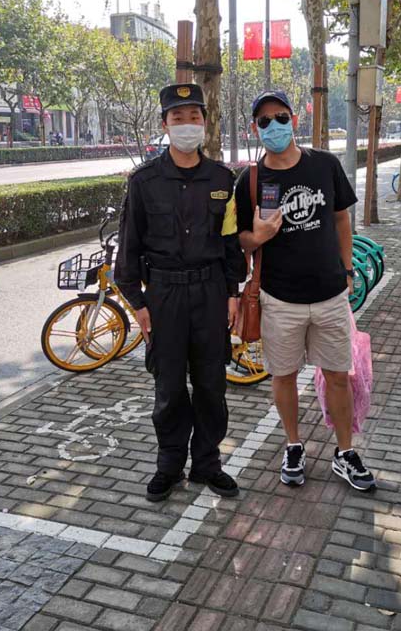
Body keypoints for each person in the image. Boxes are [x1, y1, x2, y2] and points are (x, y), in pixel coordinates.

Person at [234, 90, 377, 493]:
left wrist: (347, 270)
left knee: (338, 376)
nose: (274, 126)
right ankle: (293, 445)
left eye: (280, 117)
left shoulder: (324, 165)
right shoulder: (251, 180)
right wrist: (257, 236)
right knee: (283, 376)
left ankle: (345, 452)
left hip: (330, 296)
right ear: (255, 128)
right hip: (278, 299)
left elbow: (341, 220)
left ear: (294, 120)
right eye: (264, 121)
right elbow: (240, 240)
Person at [115, 83, 246, 503]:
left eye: (194, 117)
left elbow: (229, 241)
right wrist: (138, 303)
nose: (187, 125)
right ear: (165, 124)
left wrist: (233, 292)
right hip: (164, 296)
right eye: (178, 118)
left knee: (211, 386)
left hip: (210, 293)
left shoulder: (222, 179)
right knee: (169, 388)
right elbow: (129, 246)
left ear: (205, 123)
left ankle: (207, 463)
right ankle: (169, 465)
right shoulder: (144, 181)